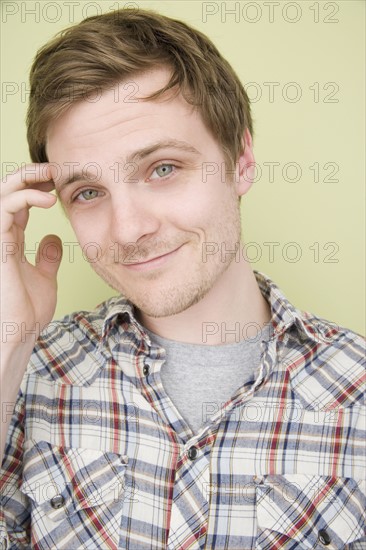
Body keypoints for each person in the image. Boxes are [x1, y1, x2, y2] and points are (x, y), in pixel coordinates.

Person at [0, 8, 365, 550]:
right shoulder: (27, 372)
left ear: (240, 159)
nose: (128, 230)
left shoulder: (357, 391)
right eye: (88, 192)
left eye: (163, 168)